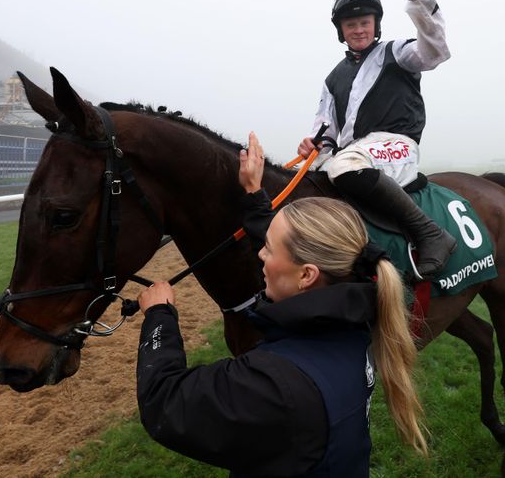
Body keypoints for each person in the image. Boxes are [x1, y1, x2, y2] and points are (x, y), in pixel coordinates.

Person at [135, 132, 426, 476]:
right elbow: (289, 246)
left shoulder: (273, 384)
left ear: (306, 276)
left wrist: (159, 317)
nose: (259, 254)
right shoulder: (353, 321)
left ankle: (430, 232)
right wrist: (255, 193)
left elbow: (165, 402)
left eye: (268, 250)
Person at [298, 0, 455, 279]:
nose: (358, 29)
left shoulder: (396, 53)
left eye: (365, 22)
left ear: (376, 24)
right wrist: (315, 145)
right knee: (313, 177)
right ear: (341, 30)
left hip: (395, 146)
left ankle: (430, 234)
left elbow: (436, 51)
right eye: (351, 24)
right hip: (358, 154)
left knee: (343, 164)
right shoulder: (333, 79)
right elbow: (326, 131)